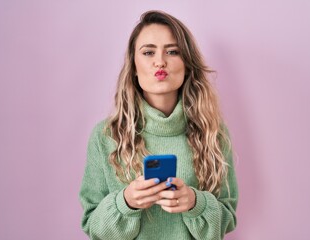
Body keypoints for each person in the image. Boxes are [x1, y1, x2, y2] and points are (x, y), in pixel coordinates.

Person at [79, 10, 238, 240]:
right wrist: (126, 202)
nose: (160, 61)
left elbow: (228, 218)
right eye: (148, 52)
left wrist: (195, 203)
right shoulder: (106, 136)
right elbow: (92, 226)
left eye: (172, 51)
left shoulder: (214, 134)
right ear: (133, 65)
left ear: (187, 63)